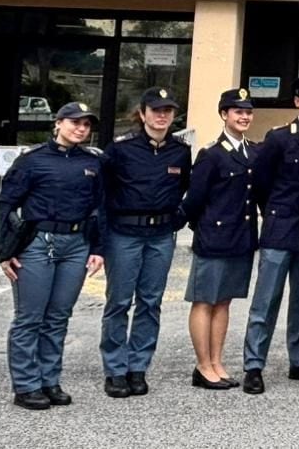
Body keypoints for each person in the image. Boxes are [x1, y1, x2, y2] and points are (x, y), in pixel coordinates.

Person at [0, 102, 106, 410]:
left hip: (76, 244)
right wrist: (4, 251)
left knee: (58, 317)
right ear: (57, 123)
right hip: (37, 243)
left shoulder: (92, 163)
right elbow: (6, 204)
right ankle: (26, 385)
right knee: (30, 317)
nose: (81, 129)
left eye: (86, 125)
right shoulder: (31, 161)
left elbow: (100, 208)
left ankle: (49, 380)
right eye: (74, 122)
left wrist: (98, 249)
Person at [243, 70, 299, 393]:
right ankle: (254, 365)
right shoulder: (279, 137)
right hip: (281, 227)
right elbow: (262, 183)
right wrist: (274, 212)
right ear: (297, 101)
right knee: (266, 299)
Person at [100, 86, 191, 398]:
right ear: (142, 114)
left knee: (150, 304)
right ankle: (115, 368)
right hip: (124, 234)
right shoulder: (120, 149)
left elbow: (184, 190)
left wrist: (176, 219)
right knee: (119, 302)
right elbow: (103, 193)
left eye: (168, 111)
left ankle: (138, 367)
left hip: (161, 236)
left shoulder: (180, 151)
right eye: (156, 110)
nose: (162, 116)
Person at [181, 88, 260, 389]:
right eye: (237, 111)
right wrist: (202, 229)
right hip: (214, 238)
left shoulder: (252, 151)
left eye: (248, 112)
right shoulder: (211, 154)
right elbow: (194, 199)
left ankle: (217, 361)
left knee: (223, 302)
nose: (244, 116)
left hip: (241, 237)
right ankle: (203, 366)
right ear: (224, 114)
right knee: (204, 301)